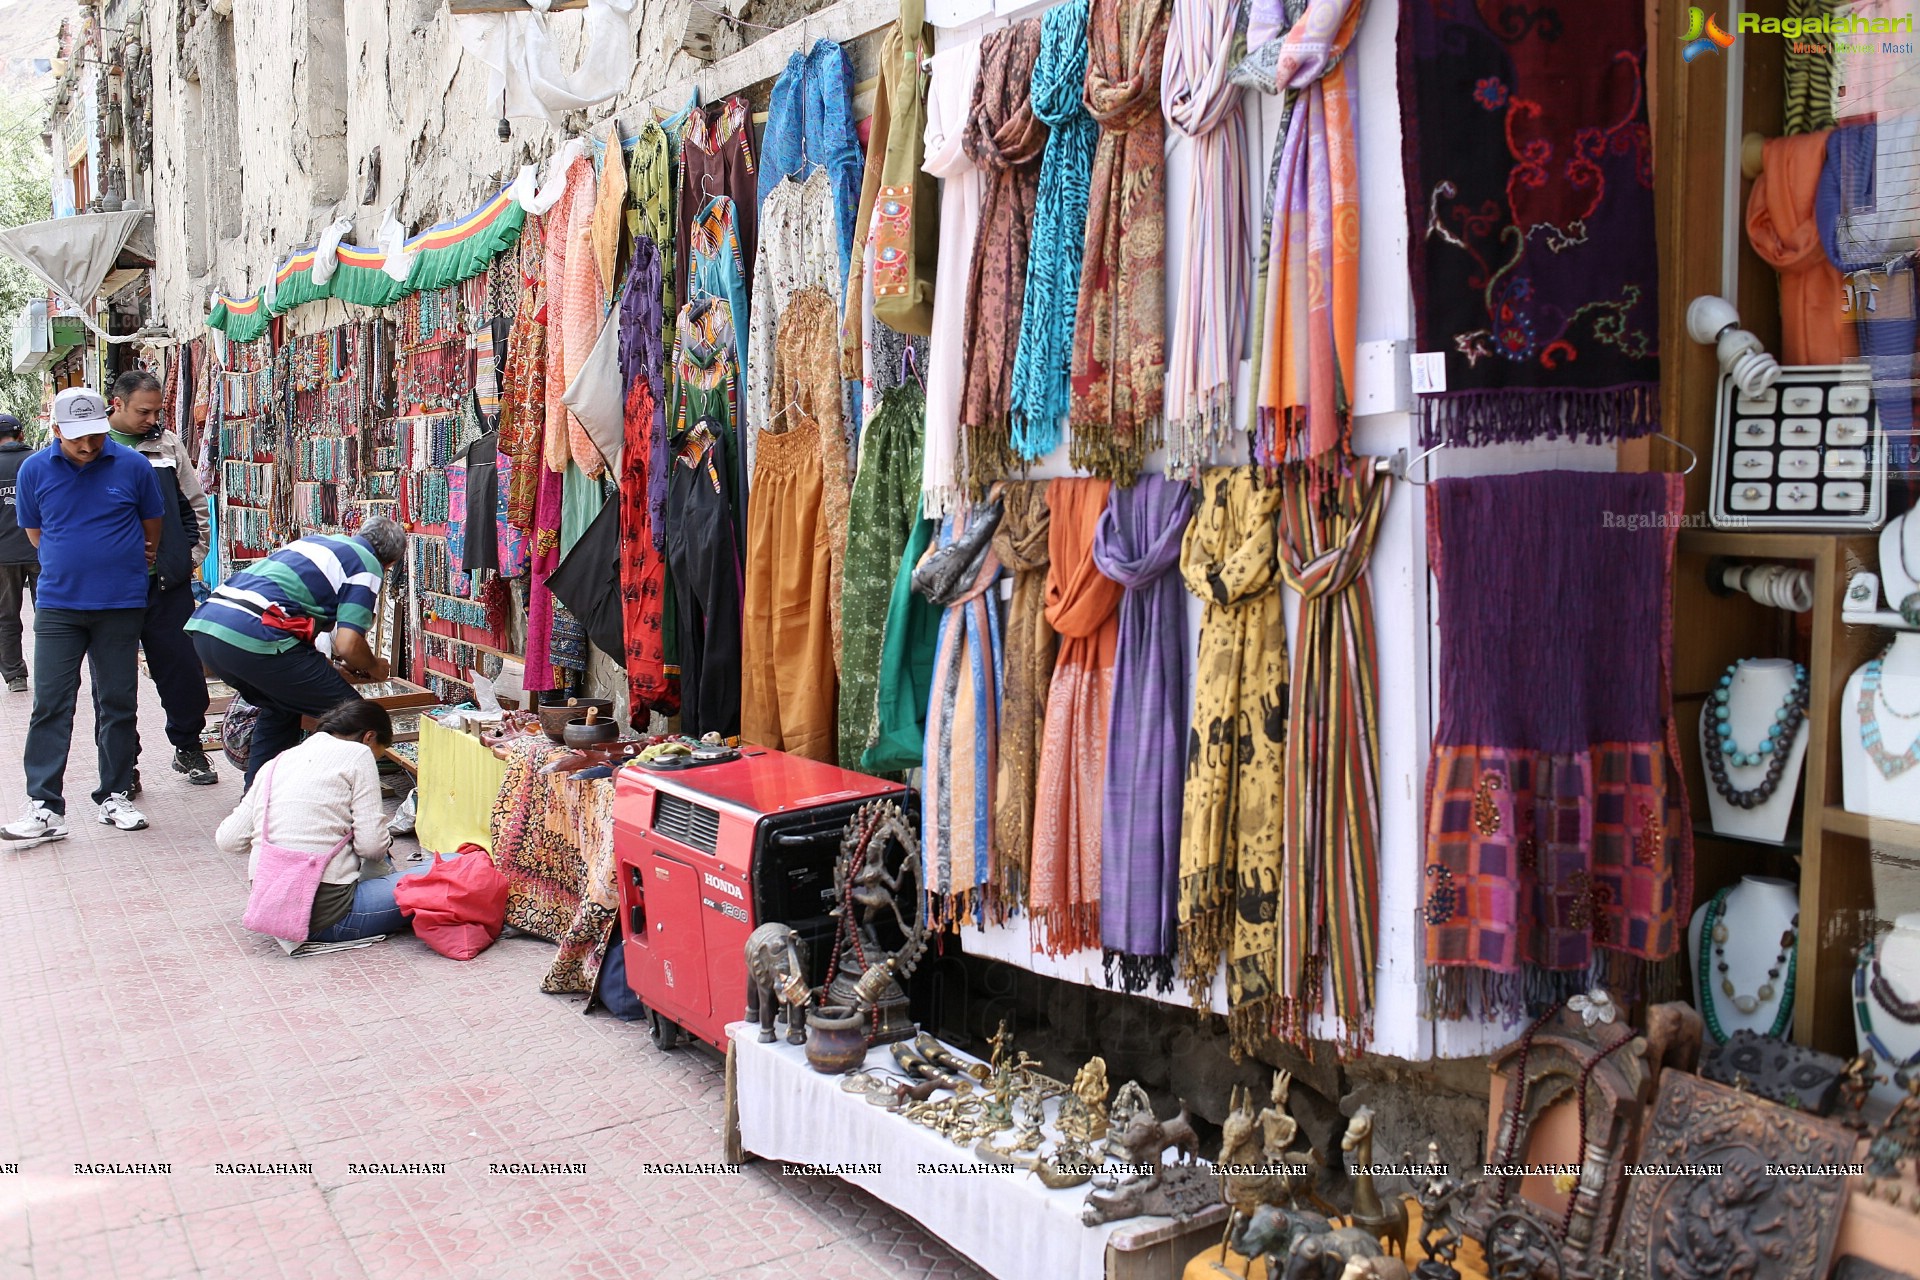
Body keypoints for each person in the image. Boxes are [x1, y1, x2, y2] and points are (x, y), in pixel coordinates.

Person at [1, 387, 164, 844]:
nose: (88, 446)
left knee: (117, 701)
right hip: (58, 605)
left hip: (120, 604)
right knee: (50, 702)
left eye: (94, 435)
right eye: (76, 439)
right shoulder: (34, 470)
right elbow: (36, 535)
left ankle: (114, 795)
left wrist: (129, 561)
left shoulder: (133, 466)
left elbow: (153, 524)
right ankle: (45, 806)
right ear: (55, 431)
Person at [186, 517, 404, 789]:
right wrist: (375, 667)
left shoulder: (319, 543)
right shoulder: (366, 563)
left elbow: (295, 630)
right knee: (357, 717)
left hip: (210, 629)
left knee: (280, 709)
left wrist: (332, 670)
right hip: (253, 633)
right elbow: (348, 644)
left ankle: (258, 805)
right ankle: (342, 804)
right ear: (390, 563)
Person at [214, 699, 428, 942]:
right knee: (451, 869)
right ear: (369, 737)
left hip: (277, 907)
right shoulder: (357, 754)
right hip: (329, 917)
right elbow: (371, 847)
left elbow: (228, 840)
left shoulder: (277, 762)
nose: (376, 760)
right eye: (379, 754)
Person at [106, 369, 218, 788]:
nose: (152, 419)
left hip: (166, 583)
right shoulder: (90, 445)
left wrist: (188, 558)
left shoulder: (167, 444)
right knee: (115, 680)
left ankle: (189, 747)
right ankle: (123, 764)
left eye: (157, 411)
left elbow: (194, 503)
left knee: (182, 669)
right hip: (113, 588)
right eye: (143, 411)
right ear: (116, 404)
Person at [0, 412, 38, 693]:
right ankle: (57, 674)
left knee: (6, 617)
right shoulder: (40, 462)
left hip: (2, 556)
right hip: (41, 550)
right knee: (51, 614)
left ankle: (15, 676)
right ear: (21, 434)